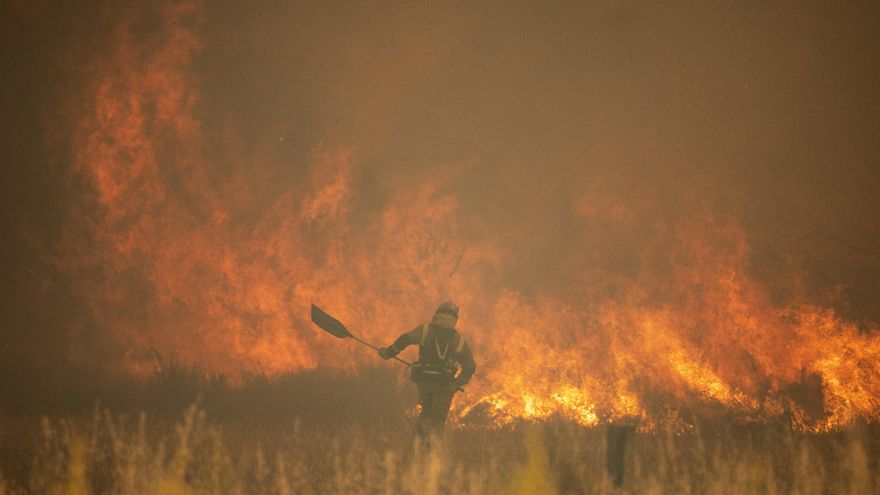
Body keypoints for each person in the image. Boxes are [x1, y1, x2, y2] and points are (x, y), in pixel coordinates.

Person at [378, 301, 476, 440]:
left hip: (425, 384)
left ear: (436, 315)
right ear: (455, 319)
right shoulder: (457, 340)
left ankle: (416, 453)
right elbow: (470, 365)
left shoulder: (425, 330)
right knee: (437, 423)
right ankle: (432, 456)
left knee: (425, 417)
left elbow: (405, 339)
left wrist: (389, 352)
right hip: (445, 387)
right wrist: (457, 383)